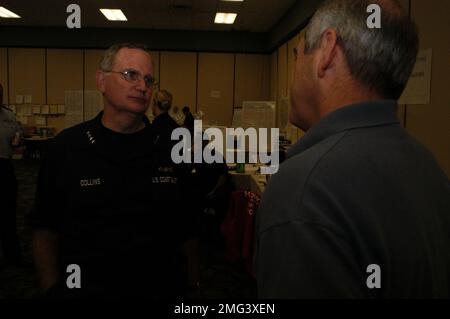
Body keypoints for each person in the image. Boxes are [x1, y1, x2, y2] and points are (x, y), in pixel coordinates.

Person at [256, 0, 450, 298]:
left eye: (297, 55)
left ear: (327, 51)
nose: (293, 73)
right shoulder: (428, 166)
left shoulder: (305, 188)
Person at [31, 43, 192, 299]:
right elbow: (45, 229)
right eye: (130, 75)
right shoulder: (67, 147)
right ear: (102, 81)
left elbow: (186, 229)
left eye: (149, 80)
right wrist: (52, 290)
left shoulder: (171, 148)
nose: (142, 87)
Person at [0, 83, 23, 266]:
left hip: (4, 168)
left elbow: (15, 139)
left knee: (8, 215)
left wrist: (17, 140)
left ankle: (12, 255)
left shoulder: (8, 115)